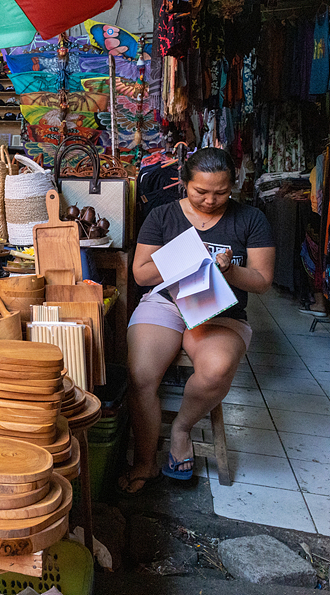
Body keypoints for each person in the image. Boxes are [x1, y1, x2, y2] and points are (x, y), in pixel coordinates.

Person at [119, 147, 275, 494]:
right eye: (200, 191)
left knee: (217, 369)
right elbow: (142, 274)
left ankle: (182, 429)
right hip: (167, 303)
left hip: (221, 311)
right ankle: (145, 462)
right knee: (141, 375)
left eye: (220, 192)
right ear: (183, 182)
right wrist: (183, 257)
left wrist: (230, 269)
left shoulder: (250, 219)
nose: (209, 200)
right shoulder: (162, 216)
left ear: (233, 185)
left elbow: (263, 281)